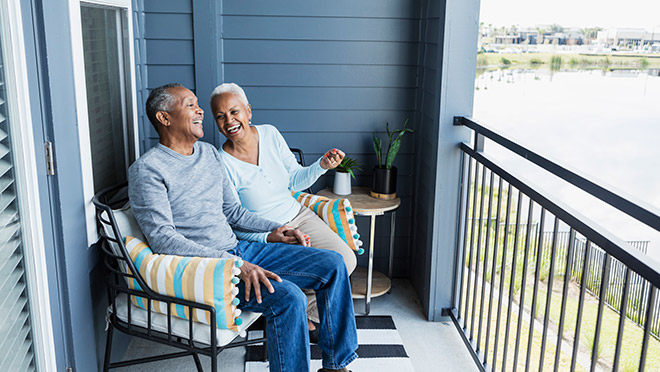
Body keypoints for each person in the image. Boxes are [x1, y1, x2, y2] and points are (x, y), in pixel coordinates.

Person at [128, 83, 357, 372]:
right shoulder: (148, 170)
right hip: (209, 269)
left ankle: (336, 367)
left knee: (334, 263)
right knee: (289, 299)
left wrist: (277, 229)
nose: (200, 111)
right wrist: (234, 264)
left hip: (240, 251)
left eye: (198, 104)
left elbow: (233, 212)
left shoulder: (208, 154)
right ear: (164, 118)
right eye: (190, 105)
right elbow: (163, 239)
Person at [209, 83, 358, 333]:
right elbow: (232, 221)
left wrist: (321, 165)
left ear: (248, 111)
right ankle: (303, 312)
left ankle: (303, 309)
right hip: (267, 237)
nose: (229, 121)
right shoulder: (220, 162)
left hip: (298, 214)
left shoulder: (269, 134)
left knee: (346, 261)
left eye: (234, 112)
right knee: (321, 270)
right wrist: (269, 235)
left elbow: (294, 180)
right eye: (220, 116)